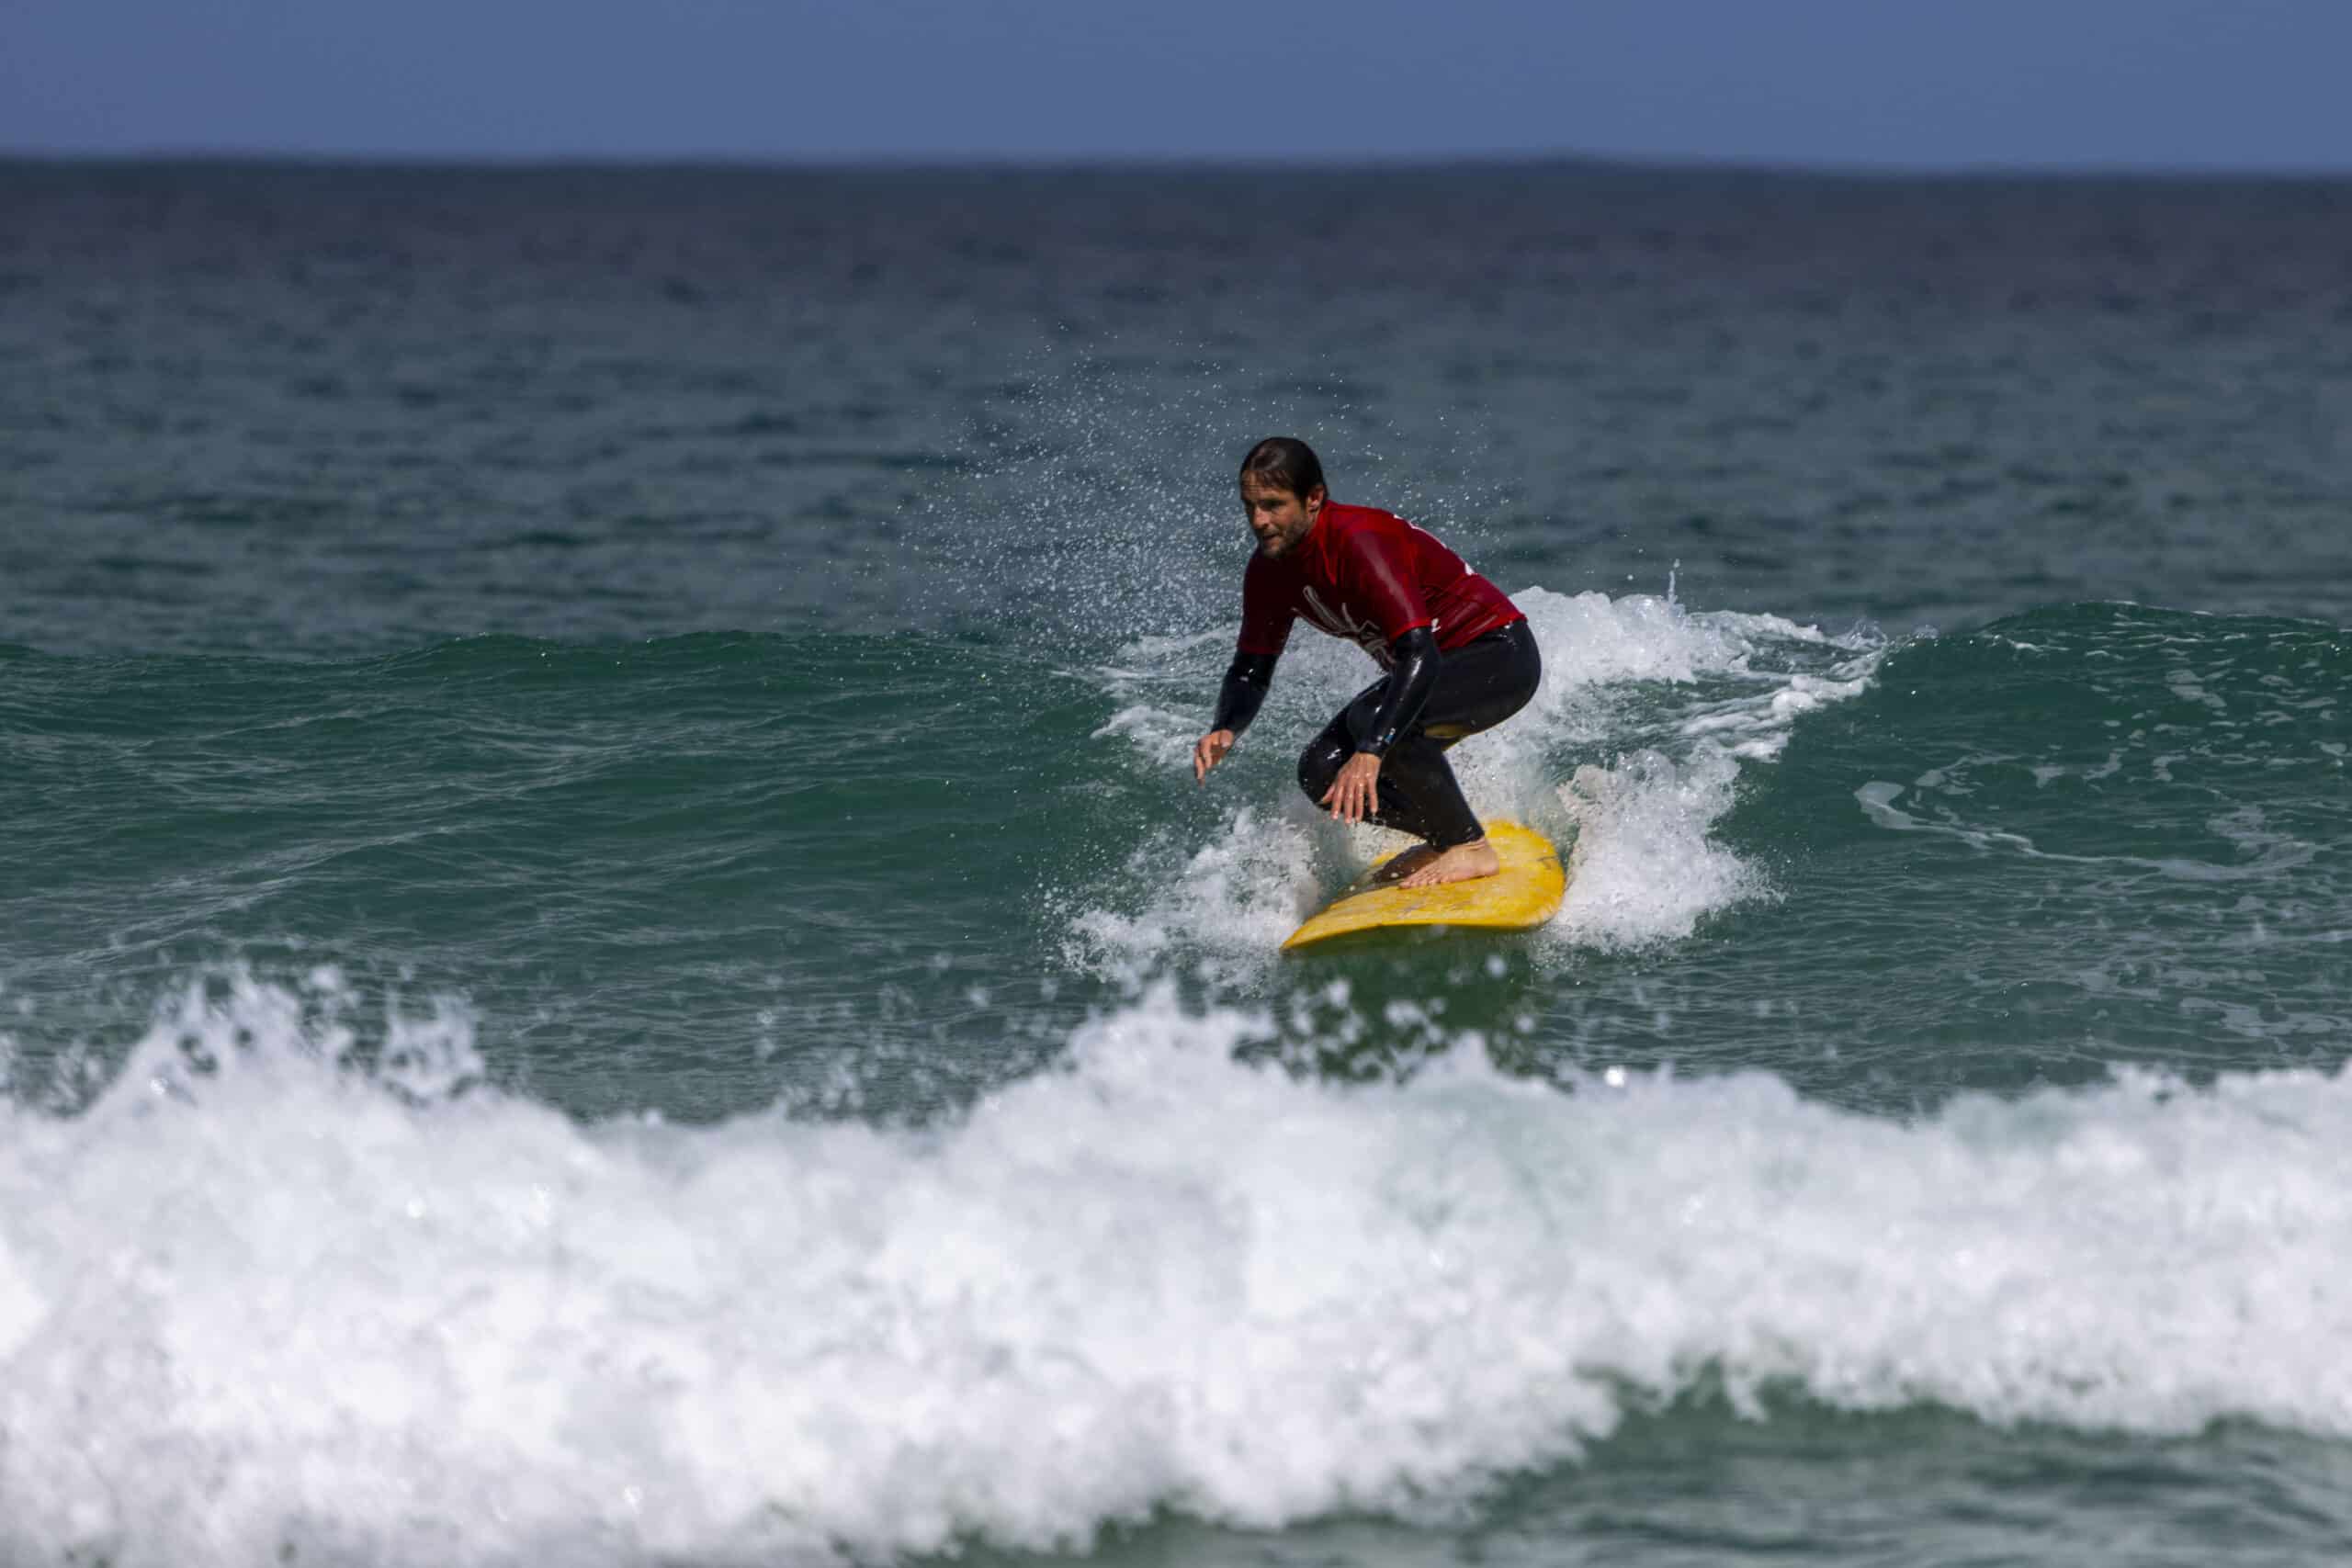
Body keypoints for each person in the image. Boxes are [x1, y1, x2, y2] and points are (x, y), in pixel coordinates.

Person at [1192, 436, 1542, 888]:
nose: (1259, 520)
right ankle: (1445, 835)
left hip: (1500, 657)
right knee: (1320, 770)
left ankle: (1470, 847)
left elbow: (1420, 653)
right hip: (1430, 670)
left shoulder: (1360, 542)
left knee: (1375, 724)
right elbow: (1250, 669)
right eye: (1250, 506)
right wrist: (1226, 725)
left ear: (1314, 498)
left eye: (1274, 505)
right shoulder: (1268, 572)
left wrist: (1373, 750)